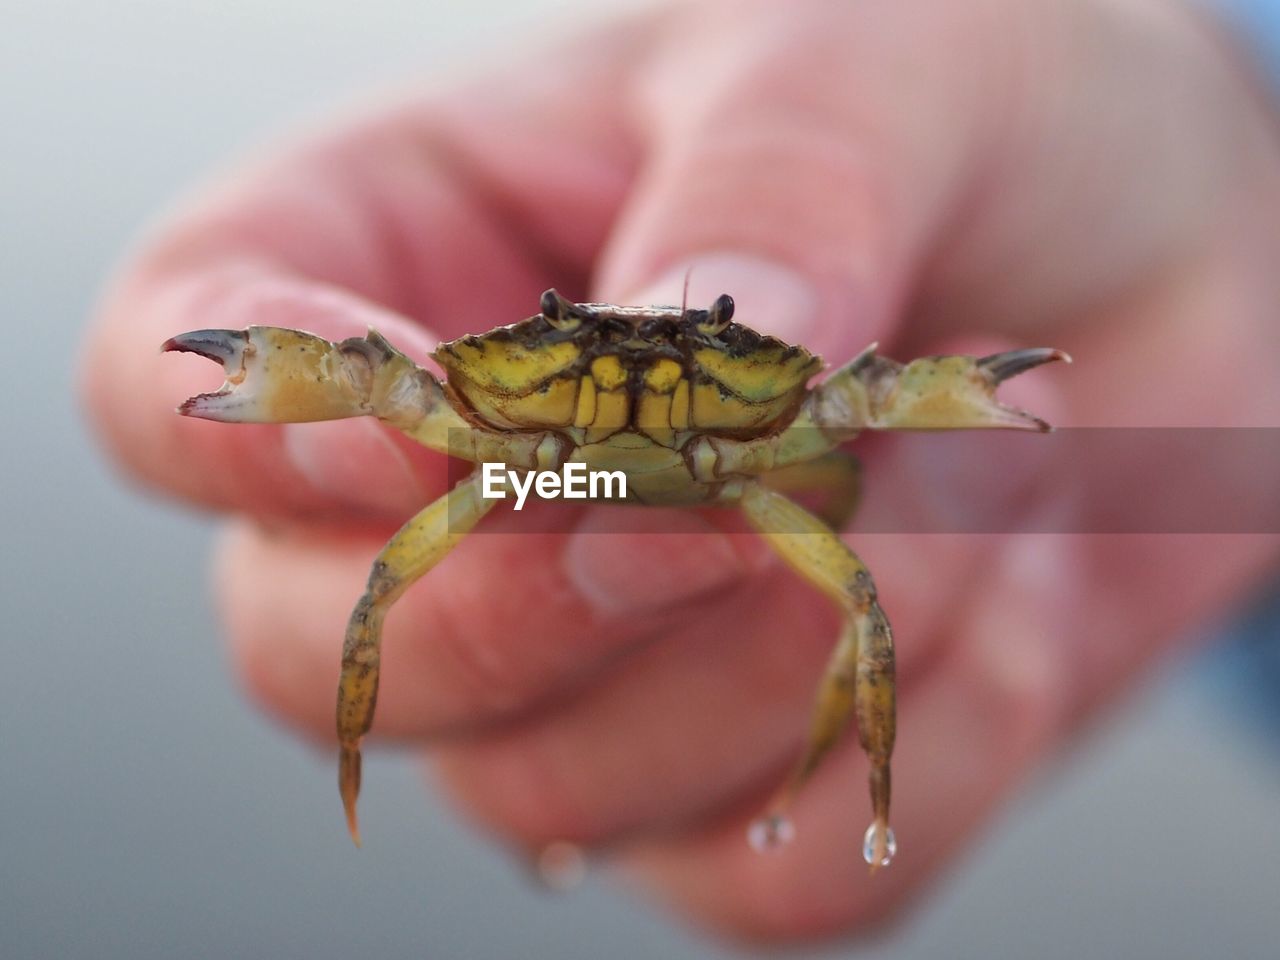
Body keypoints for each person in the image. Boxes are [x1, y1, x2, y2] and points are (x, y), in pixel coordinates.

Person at [82, 0, 1280, 943]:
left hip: (681, 473)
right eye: (584, 356)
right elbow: (375, 378)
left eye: (686, 350)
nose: (632, 380)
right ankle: (351, 767)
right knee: (385, 592)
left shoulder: (790, 434)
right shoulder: (469, 431)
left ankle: (840, 771)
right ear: (522, 347)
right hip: (557, 471)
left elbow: (857, 422)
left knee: (858, 603)